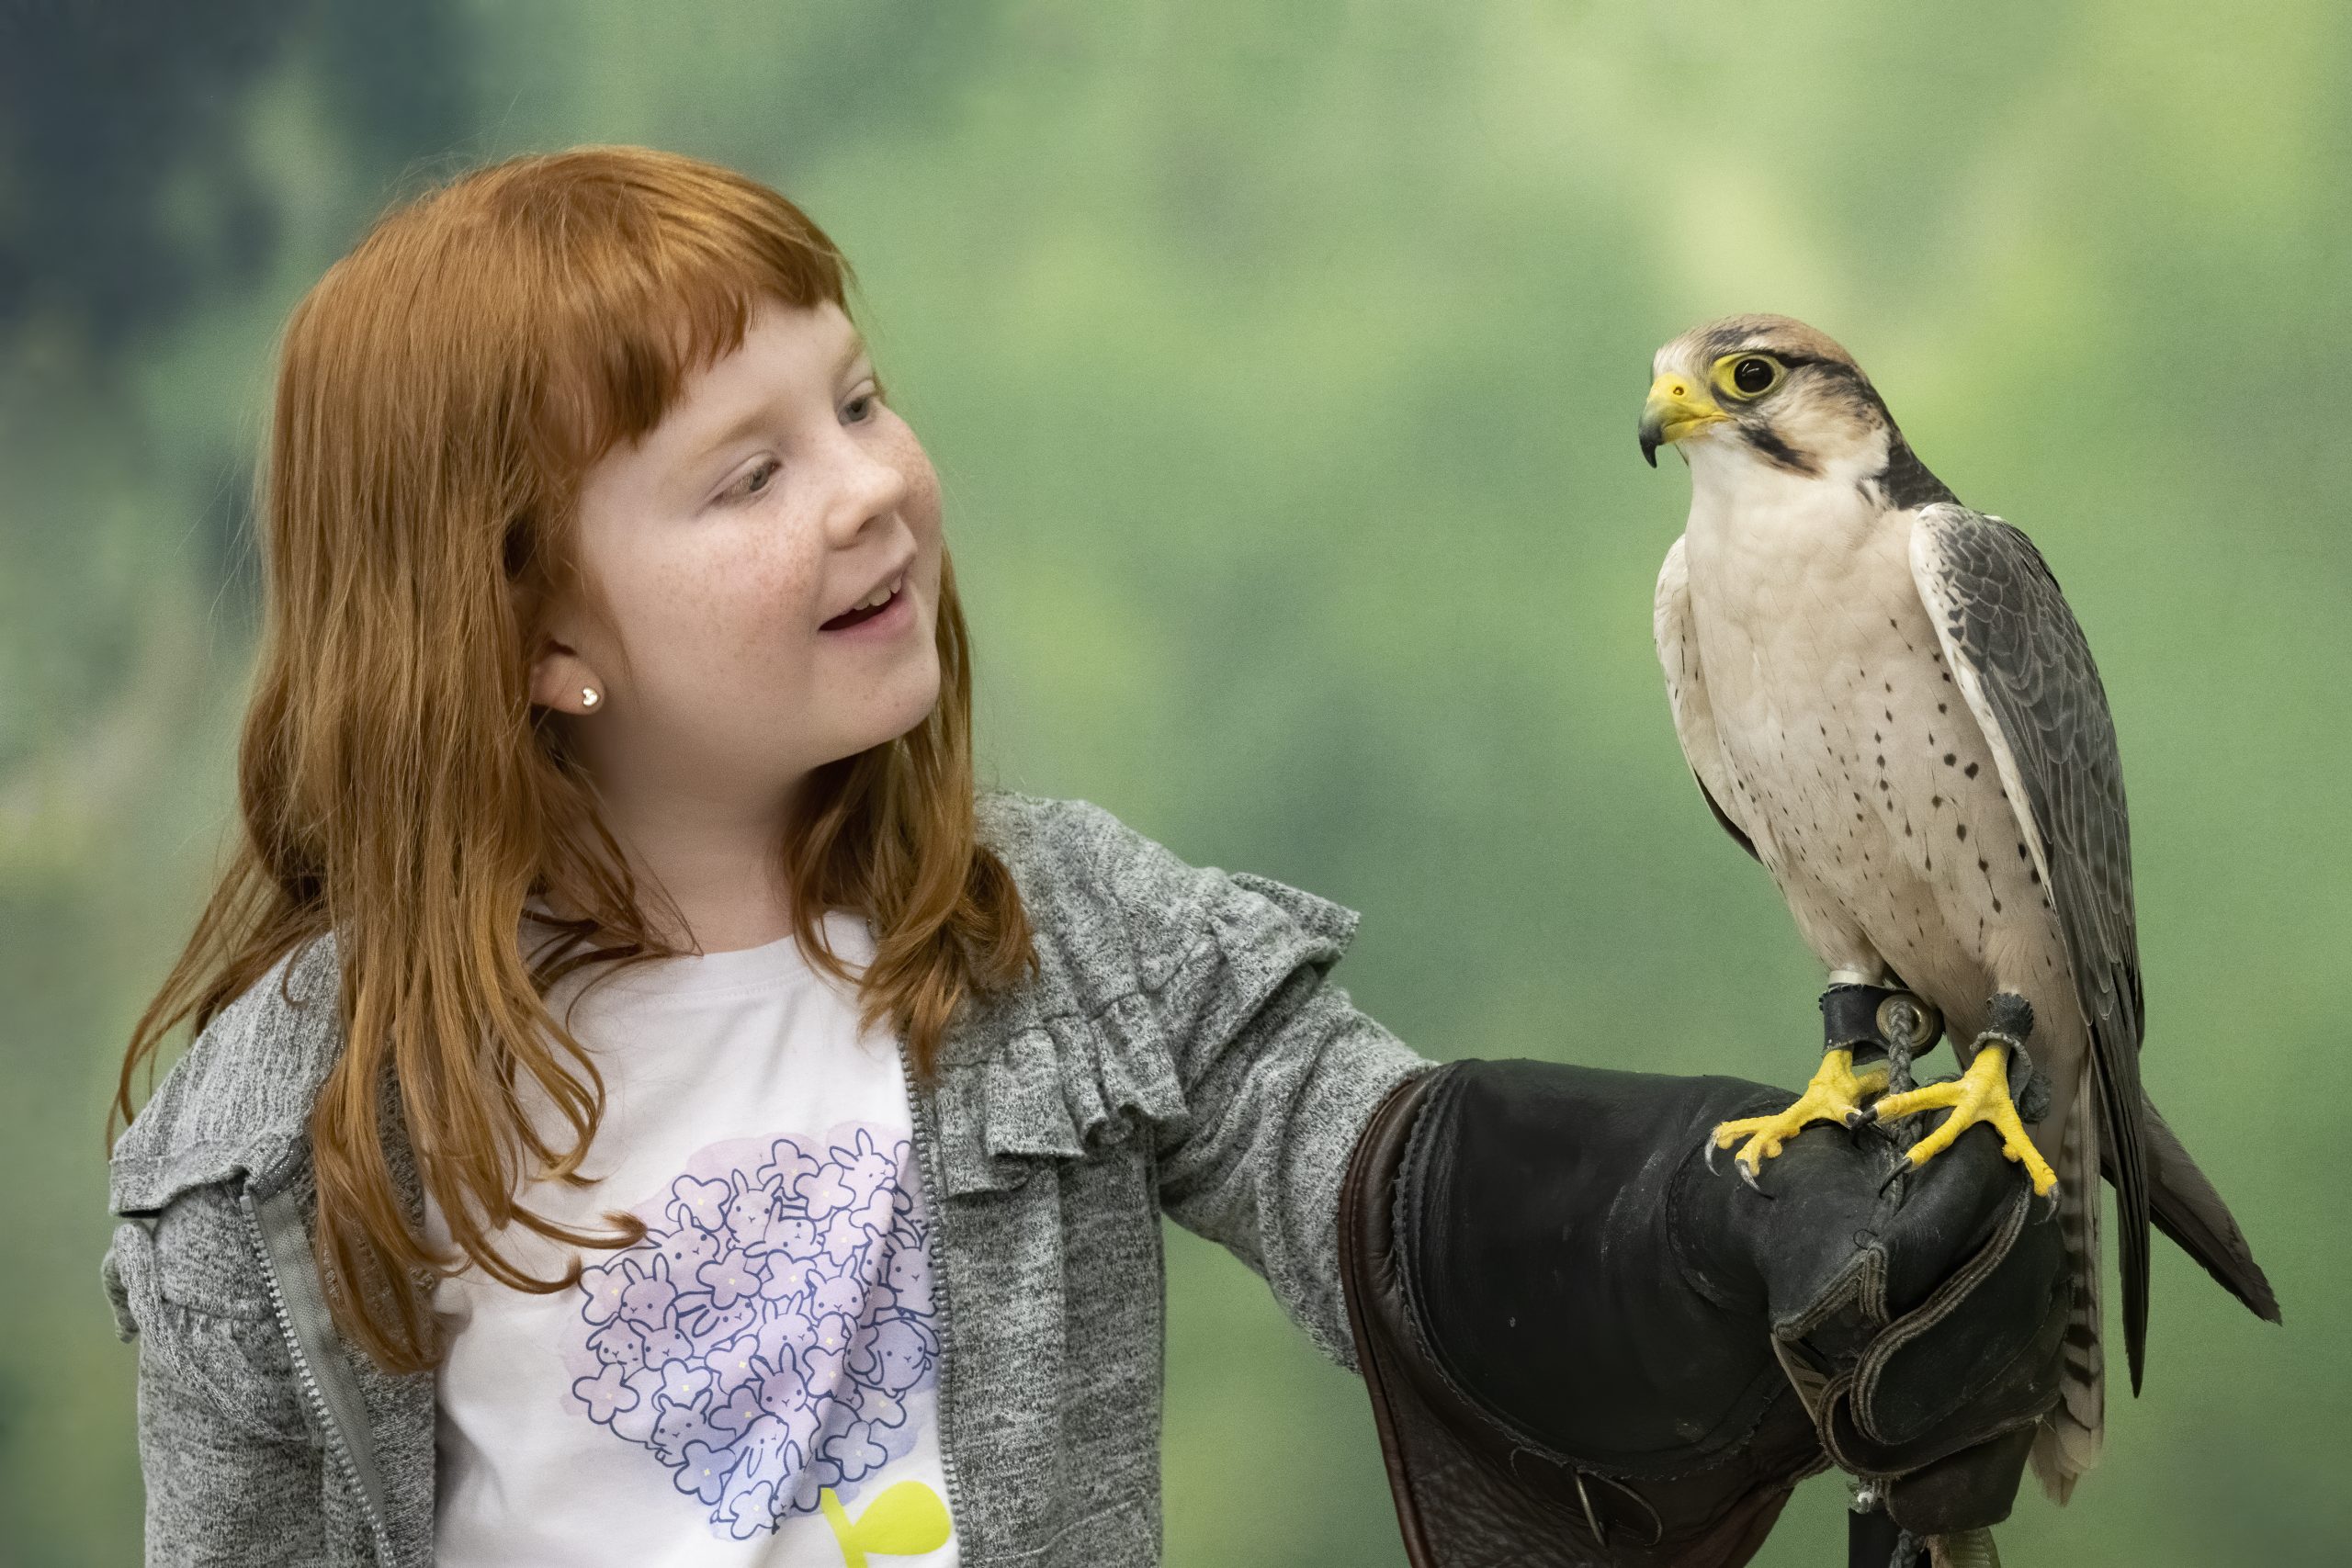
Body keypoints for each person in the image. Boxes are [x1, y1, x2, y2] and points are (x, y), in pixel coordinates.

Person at [101, 146, 2065, 1568]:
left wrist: (1701, 1232)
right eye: (752, 470)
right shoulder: (269, 1144)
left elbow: (1382, 1186)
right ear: (533, 632)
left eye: (857, 397)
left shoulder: (1055, 939)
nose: (872, 480)